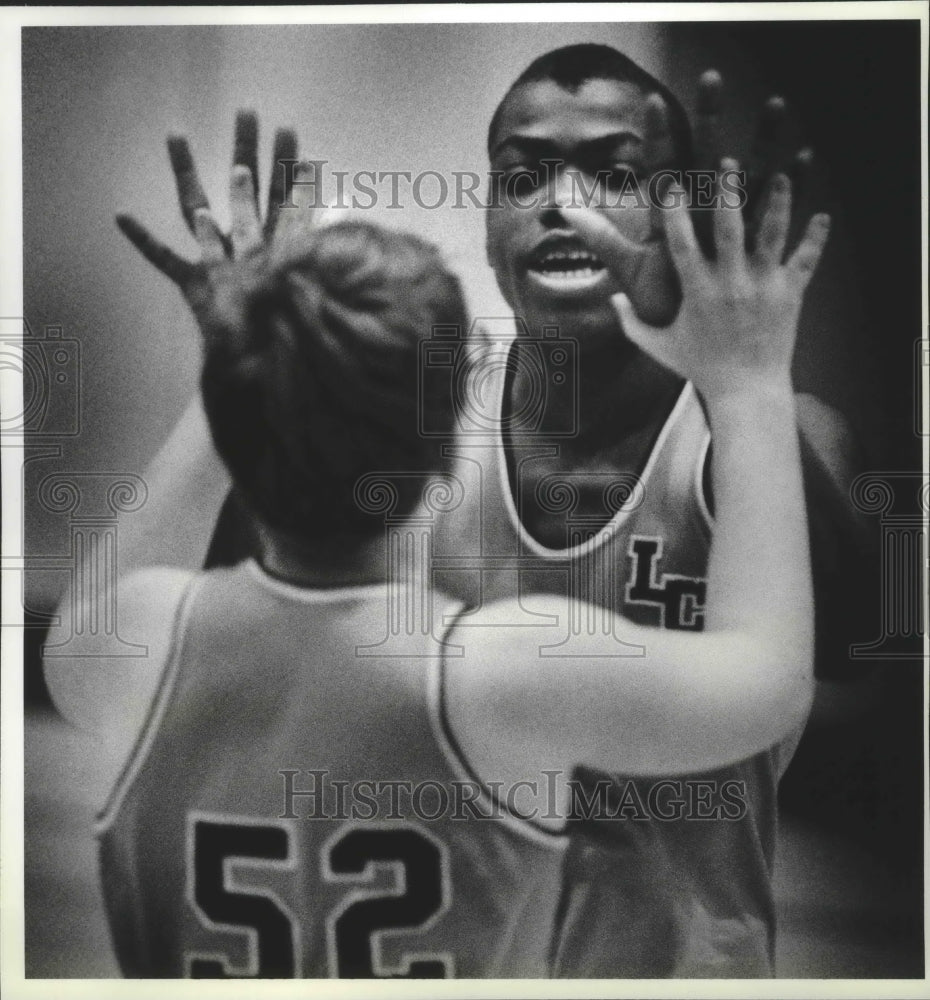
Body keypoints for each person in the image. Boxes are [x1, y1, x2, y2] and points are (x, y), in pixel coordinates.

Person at [95, 43, 864, 977]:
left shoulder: (775, 438)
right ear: (492, 212)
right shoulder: (406, 431)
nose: (563, 202)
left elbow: (867, 652)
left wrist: (743, 378)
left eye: (616, 174)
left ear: (684, 208)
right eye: (524, 174)